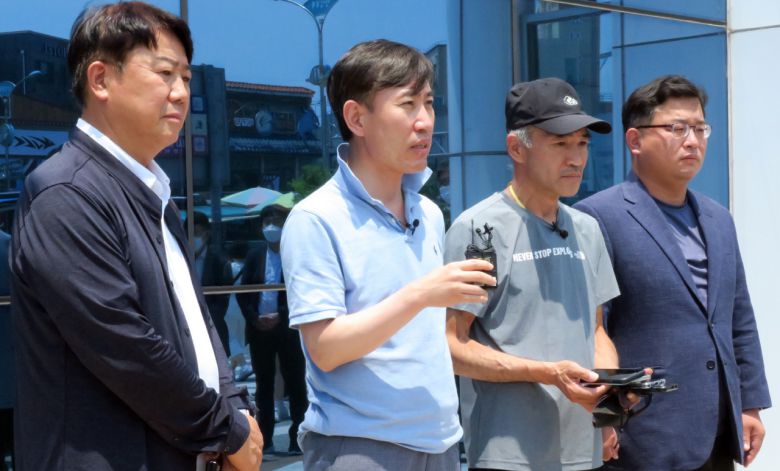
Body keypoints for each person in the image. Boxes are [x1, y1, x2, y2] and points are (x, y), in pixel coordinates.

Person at [9, 3, 263, 470]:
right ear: (101, 79)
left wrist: (236, 406)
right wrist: (227, 431)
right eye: (164, 73)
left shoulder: (156, 194)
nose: (181, 92)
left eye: (186, 77)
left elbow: (198, 324)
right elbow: (126, 347)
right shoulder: (65, 192)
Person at [280, 39, 495, 470]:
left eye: (429, 103)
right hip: (360, 445)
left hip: (441, 440)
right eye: (407, 104)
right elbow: (325, 348)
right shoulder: (315, 218)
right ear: (356, 118)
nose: (425, 121)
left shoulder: (428, 212)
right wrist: (420, 294)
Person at [575, 75, 771, 471]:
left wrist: (750, 404)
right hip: (643, 434)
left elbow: (738, 319)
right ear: (635, 140)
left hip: (718, 429)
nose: (693, 141)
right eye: (677, 128)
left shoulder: (718, 219)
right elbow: (591, 331)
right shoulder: (597, 217)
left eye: (700, 128)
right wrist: (604, 417)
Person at [444, 77, 622, 471]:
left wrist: (608, 406)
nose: (576, 158)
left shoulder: (587, 228)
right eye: (560, 144)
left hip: (584, 451)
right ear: (516, 148)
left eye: (582, 143)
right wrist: (547, 374)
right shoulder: (478, 230)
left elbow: (595, 332)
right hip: (507, 456)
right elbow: (453, 347)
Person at [237, 203, 307, 457]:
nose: (271, 227)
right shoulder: (255, 255)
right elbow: (242, 292)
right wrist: (254, 318)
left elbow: (302, 290)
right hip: (259, 330)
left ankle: (297, 439)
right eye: (266, 222)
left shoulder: (296, 254)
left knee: (296, 383)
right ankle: (265, 440)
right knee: (263, 386)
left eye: (276, 221)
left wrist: (281, 316)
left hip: (288, 329)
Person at [189, 211, 233, 355]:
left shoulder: (220, 262)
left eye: (196, 233)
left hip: (213, 327)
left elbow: (223, 300)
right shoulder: (179, 259)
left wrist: (203, 317)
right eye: (188, 233)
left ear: (206, 235)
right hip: (186, 328)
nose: (191, 238)